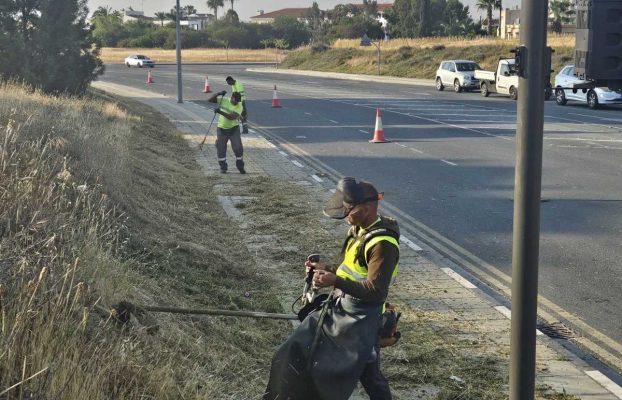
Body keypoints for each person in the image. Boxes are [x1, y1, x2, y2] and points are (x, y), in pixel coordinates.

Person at [264, 177, 400, 400]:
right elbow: (349, 269)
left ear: (366, 209)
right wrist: (325, 269)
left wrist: (334, 282)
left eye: (349, 209)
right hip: (342, 308)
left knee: (367, 373)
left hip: (362, 319)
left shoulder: (383, 244)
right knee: (295, 350)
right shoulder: (358, 230)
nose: (345, 213)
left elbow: (376, 292)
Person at [208, 90, 245, 174]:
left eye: (238, 101)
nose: (237, 103)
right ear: (232, 98)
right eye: (235, 101)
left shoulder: (239, 106)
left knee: (238, 148)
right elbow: (210, 100)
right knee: (221, 148)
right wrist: (218, 93)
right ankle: (223, 167)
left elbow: (231, 117)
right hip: (221, 129)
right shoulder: (224, 100)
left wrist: (220, 111)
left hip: (234, 129)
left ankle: (240, 166)